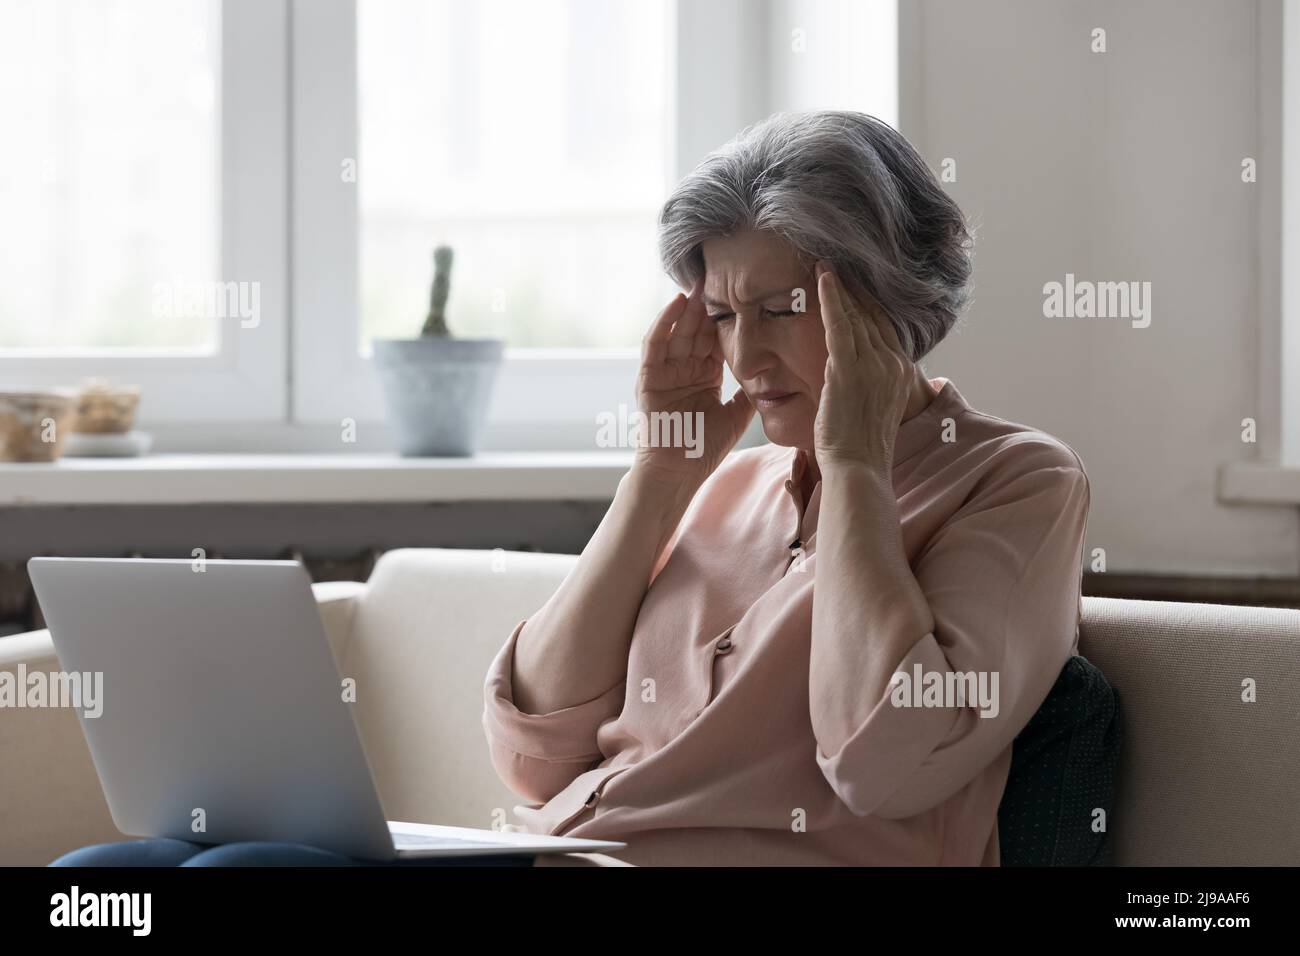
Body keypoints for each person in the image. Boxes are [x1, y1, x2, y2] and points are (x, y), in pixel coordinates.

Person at [54, 110, 1088, 868]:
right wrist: (659, 476)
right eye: (724, 316)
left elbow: (890, 763)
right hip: (556, 856)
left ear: (889, 302)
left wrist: (857, 464)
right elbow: (536, 749)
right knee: (108, 877)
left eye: (781, 306)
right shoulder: (728, 490)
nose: (747, 353)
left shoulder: (1012, 480)